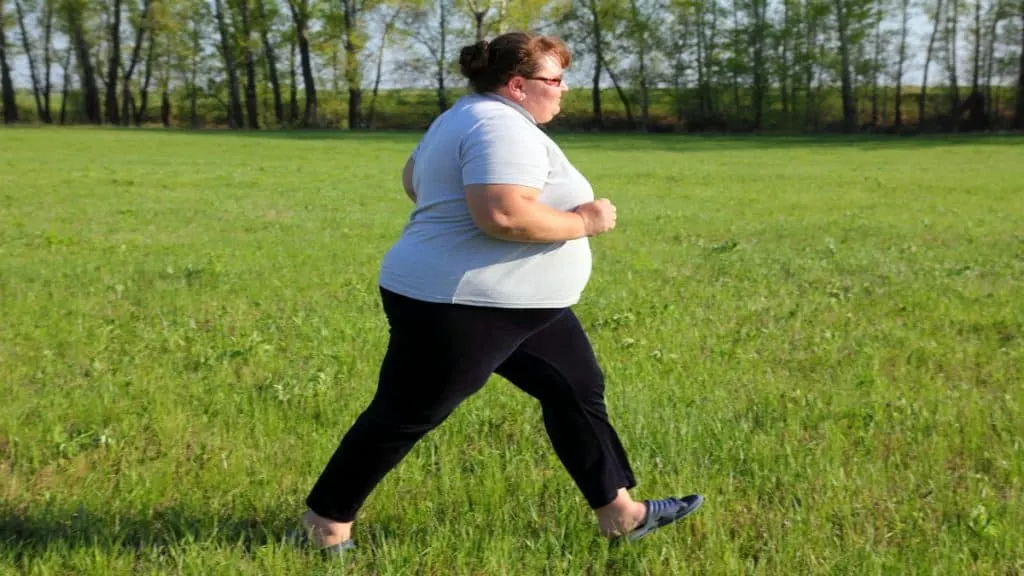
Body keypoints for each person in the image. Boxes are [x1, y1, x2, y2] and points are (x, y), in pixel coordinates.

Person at [300, 31, 703, 555]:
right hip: (463, 304)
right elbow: (503, 214)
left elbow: (413, 180)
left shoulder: (465, 116)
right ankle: (324, 524)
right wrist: (585, 220)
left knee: (575, 389)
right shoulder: (498, 127)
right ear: (518, 84)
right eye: (555, 80)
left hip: (520, 305)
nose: (563, 91)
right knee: (406, 412)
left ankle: (622, 513)